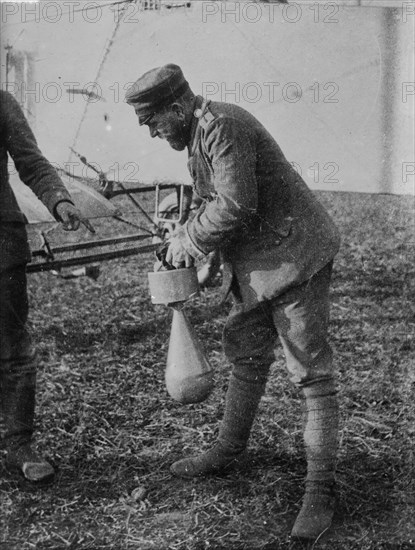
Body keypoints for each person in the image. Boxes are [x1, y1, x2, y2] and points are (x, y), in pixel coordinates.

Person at [125, 64, 341, 544]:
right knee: (246, 356)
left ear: (178, 108)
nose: (156, 134)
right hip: (256, 262)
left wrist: (191, 243)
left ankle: (321, 491)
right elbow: (210, 201)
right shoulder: (198, 137)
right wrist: (197, 247)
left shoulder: (223, 126)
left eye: (156, 123)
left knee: (310, 374)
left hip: (296, 253)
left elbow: (237, 203)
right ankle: (227, 449)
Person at [0, 90, 91, 482]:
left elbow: (32, 163)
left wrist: (59, 201)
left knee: (14, 349)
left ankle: (18, 447)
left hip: (1, 244)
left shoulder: (2, 103)